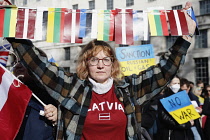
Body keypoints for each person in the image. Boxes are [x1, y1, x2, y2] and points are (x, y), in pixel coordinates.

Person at [6, 2, 196, 140]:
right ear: (85, 64)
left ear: (113, 64)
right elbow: (37, 64)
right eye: (94, 59)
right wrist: (10, 23)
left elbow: (165, 70)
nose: (100, 65)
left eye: (106, 59)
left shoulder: (131, 89)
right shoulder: (72, 88)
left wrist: (185, 37)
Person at [12, 57, 58, 140]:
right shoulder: (7, 93)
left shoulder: (55, 93)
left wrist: (58, 118)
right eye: (15, 62)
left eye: (23, 60)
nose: (18, 65)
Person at [157, 76, 195, 140]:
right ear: (168, 85)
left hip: (185, 133)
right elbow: (165, 118)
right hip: (171, 133)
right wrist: (185, 125)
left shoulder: (182, 96)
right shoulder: (163, 99)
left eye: (178, 83)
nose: (177, 85)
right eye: (174, 83)